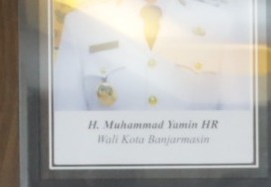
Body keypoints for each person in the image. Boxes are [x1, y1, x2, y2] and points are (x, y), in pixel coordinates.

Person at [52, 0, 259, 113]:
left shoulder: (220, 23)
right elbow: (68, 115)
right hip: (110, 174)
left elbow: (236, 118)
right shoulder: (82, 23)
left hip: (196, 174)